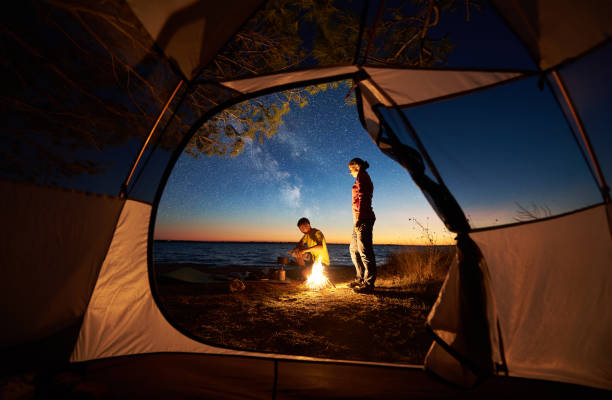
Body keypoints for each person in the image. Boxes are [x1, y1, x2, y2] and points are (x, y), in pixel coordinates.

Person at [348, 158, 376, 293]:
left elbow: (364, 197)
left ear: (357, 167)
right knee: (354, 249)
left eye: (350, 169)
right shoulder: (360, 177)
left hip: (364, 218)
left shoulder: (363, 177)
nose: (349, 172)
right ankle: (359, 278)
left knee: (365, 251)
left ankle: (369, 283)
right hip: (358, 220)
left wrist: (359, 218)